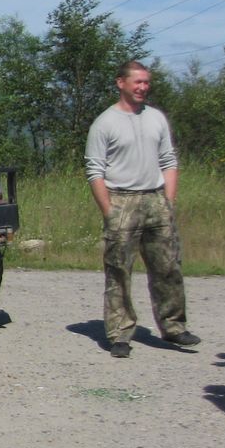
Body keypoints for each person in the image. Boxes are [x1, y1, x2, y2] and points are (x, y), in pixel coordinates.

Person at [83, 60, 199, 358]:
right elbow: (94, 170)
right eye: (138, 82)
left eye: (146, 82)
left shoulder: (156, 118)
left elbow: (169, 160)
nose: (143, 87)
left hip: (155, 199)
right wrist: (109, 210)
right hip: (121, 199)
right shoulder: (104, 123)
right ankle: (120, 334)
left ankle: (174, 326)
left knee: (168, 266)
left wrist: (168, 200)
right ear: (120, 83)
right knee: (119, 270)